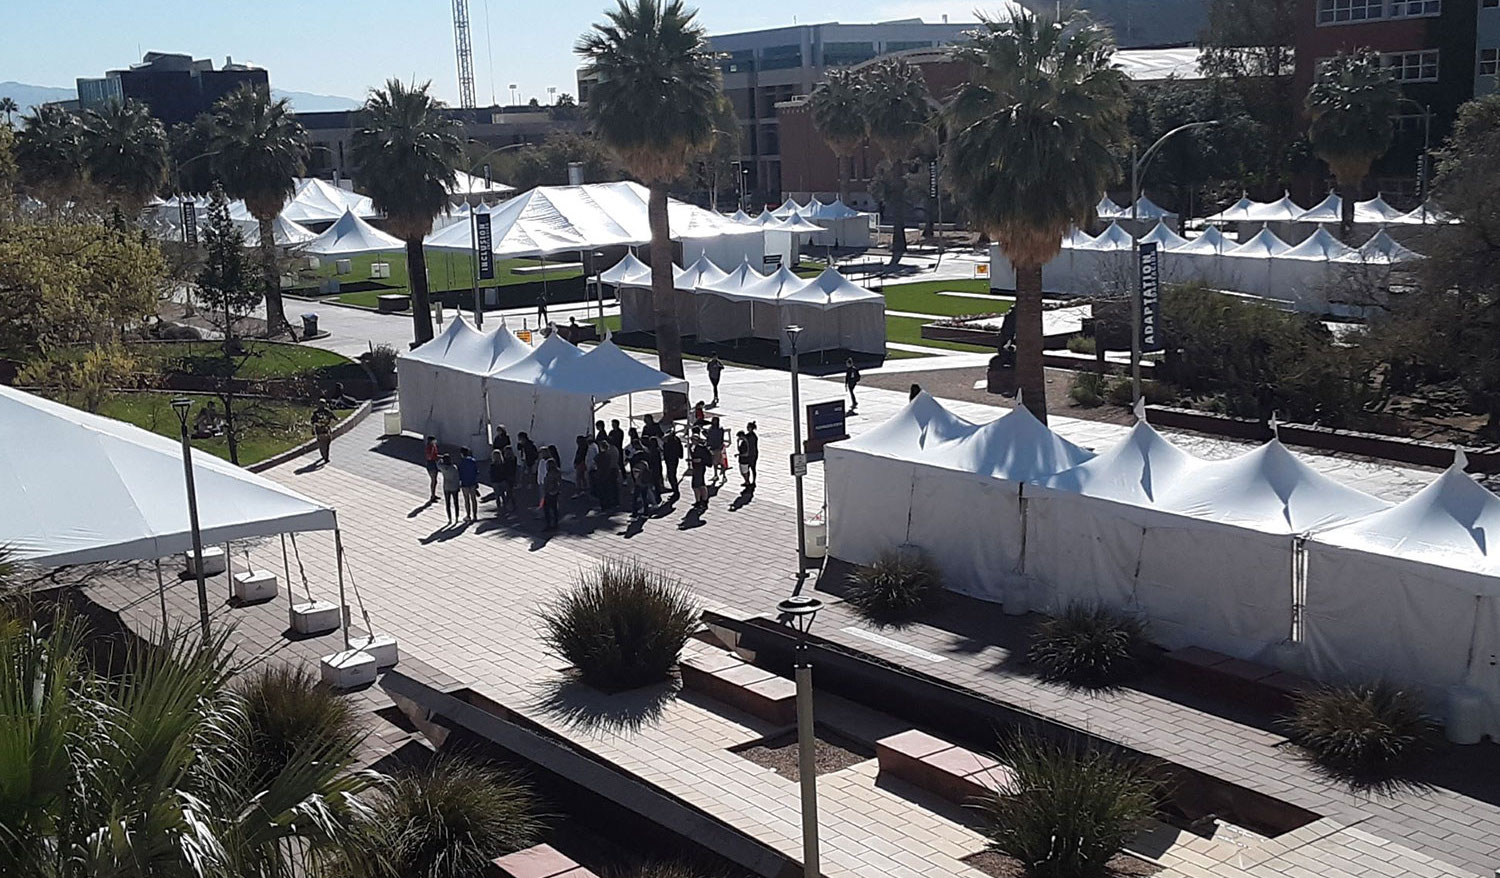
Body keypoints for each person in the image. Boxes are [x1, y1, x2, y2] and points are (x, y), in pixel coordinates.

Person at [491, 444, 517, 512]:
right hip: (504, 479)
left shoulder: (493, 465)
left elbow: (491, 473)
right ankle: (509, 505)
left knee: (498, 495)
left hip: (496, 481)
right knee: (506, 493)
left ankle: (500, 507)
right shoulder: (506, 462)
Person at [541, 446, 562, 529]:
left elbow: (549, 483)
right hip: (555, 492)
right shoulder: (557, 472)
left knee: (547, 509)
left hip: (549, 492)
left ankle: (549, 524)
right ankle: (555, 523)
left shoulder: (550, 474)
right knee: (554, 508)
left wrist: (547, 491)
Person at [689, 435, 713, 509]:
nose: (693, 441)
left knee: (697, 485)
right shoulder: (691, 447)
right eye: (692, 439)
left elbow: (707, 459)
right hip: (696, 468)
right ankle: (700, 501)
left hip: (700, 468)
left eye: (694, 440)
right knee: (699, 485)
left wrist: (700, 460)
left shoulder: (702, 448)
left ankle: (702, 501)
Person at [457, 447, 480, 522]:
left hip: (465, 483)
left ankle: (468, 515)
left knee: (466, 499)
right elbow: (476, 471)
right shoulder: (473, 461)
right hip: (472, 482)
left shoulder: (461, 463)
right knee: (473, 499)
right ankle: (475, 515)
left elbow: (459, 474)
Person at [437, 453, 461, 524]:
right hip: (454, 487)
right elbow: (457, 478)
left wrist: (440, 459)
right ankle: (456, 517)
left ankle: (449, 519)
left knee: (448, 503)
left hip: (446, 487)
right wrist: (458, 486)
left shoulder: (442, 467)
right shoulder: (454, 467)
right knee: (456, 502)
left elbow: (438, 464)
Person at [663, 428, 684, 497]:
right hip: (673, 459)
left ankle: (675, 490)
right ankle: (675, 489)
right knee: (672, 474)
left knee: (671, 475)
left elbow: (666, 451)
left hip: (671, 459)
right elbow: (680, 448)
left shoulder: (670, 441)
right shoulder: (675, 440)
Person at [706, 417, 727, 483]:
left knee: (720, 462)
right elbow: (709, 438)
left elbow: (721, 439)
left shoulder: (720, 429)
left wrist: (720, 446)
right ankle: (716, 475)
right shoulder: (710, 429)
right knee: (714, 463)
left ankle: (723, 476)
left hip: (718, 448)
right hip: (712, 447)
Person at [742, 421, 760, 488]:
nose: (747, 428)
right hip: (750, 454)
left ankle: (753, 481)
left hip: (753, 454)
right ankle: (748, 481)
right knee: (747, 468)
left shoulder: (753, 436)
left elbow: (750, 445)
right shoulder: (748, 435)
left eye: (748, 427)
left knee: (753, 468)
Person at [424, 436, 441, 500]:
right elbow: (429, 457)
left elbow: (435, 455)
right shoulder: (429, 447)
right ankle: (432, 495)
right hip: (431, 464)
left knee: (435, 480)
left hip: (434, 462)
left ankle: (433, 494)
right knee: (433, 480)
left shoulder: (434, 446)